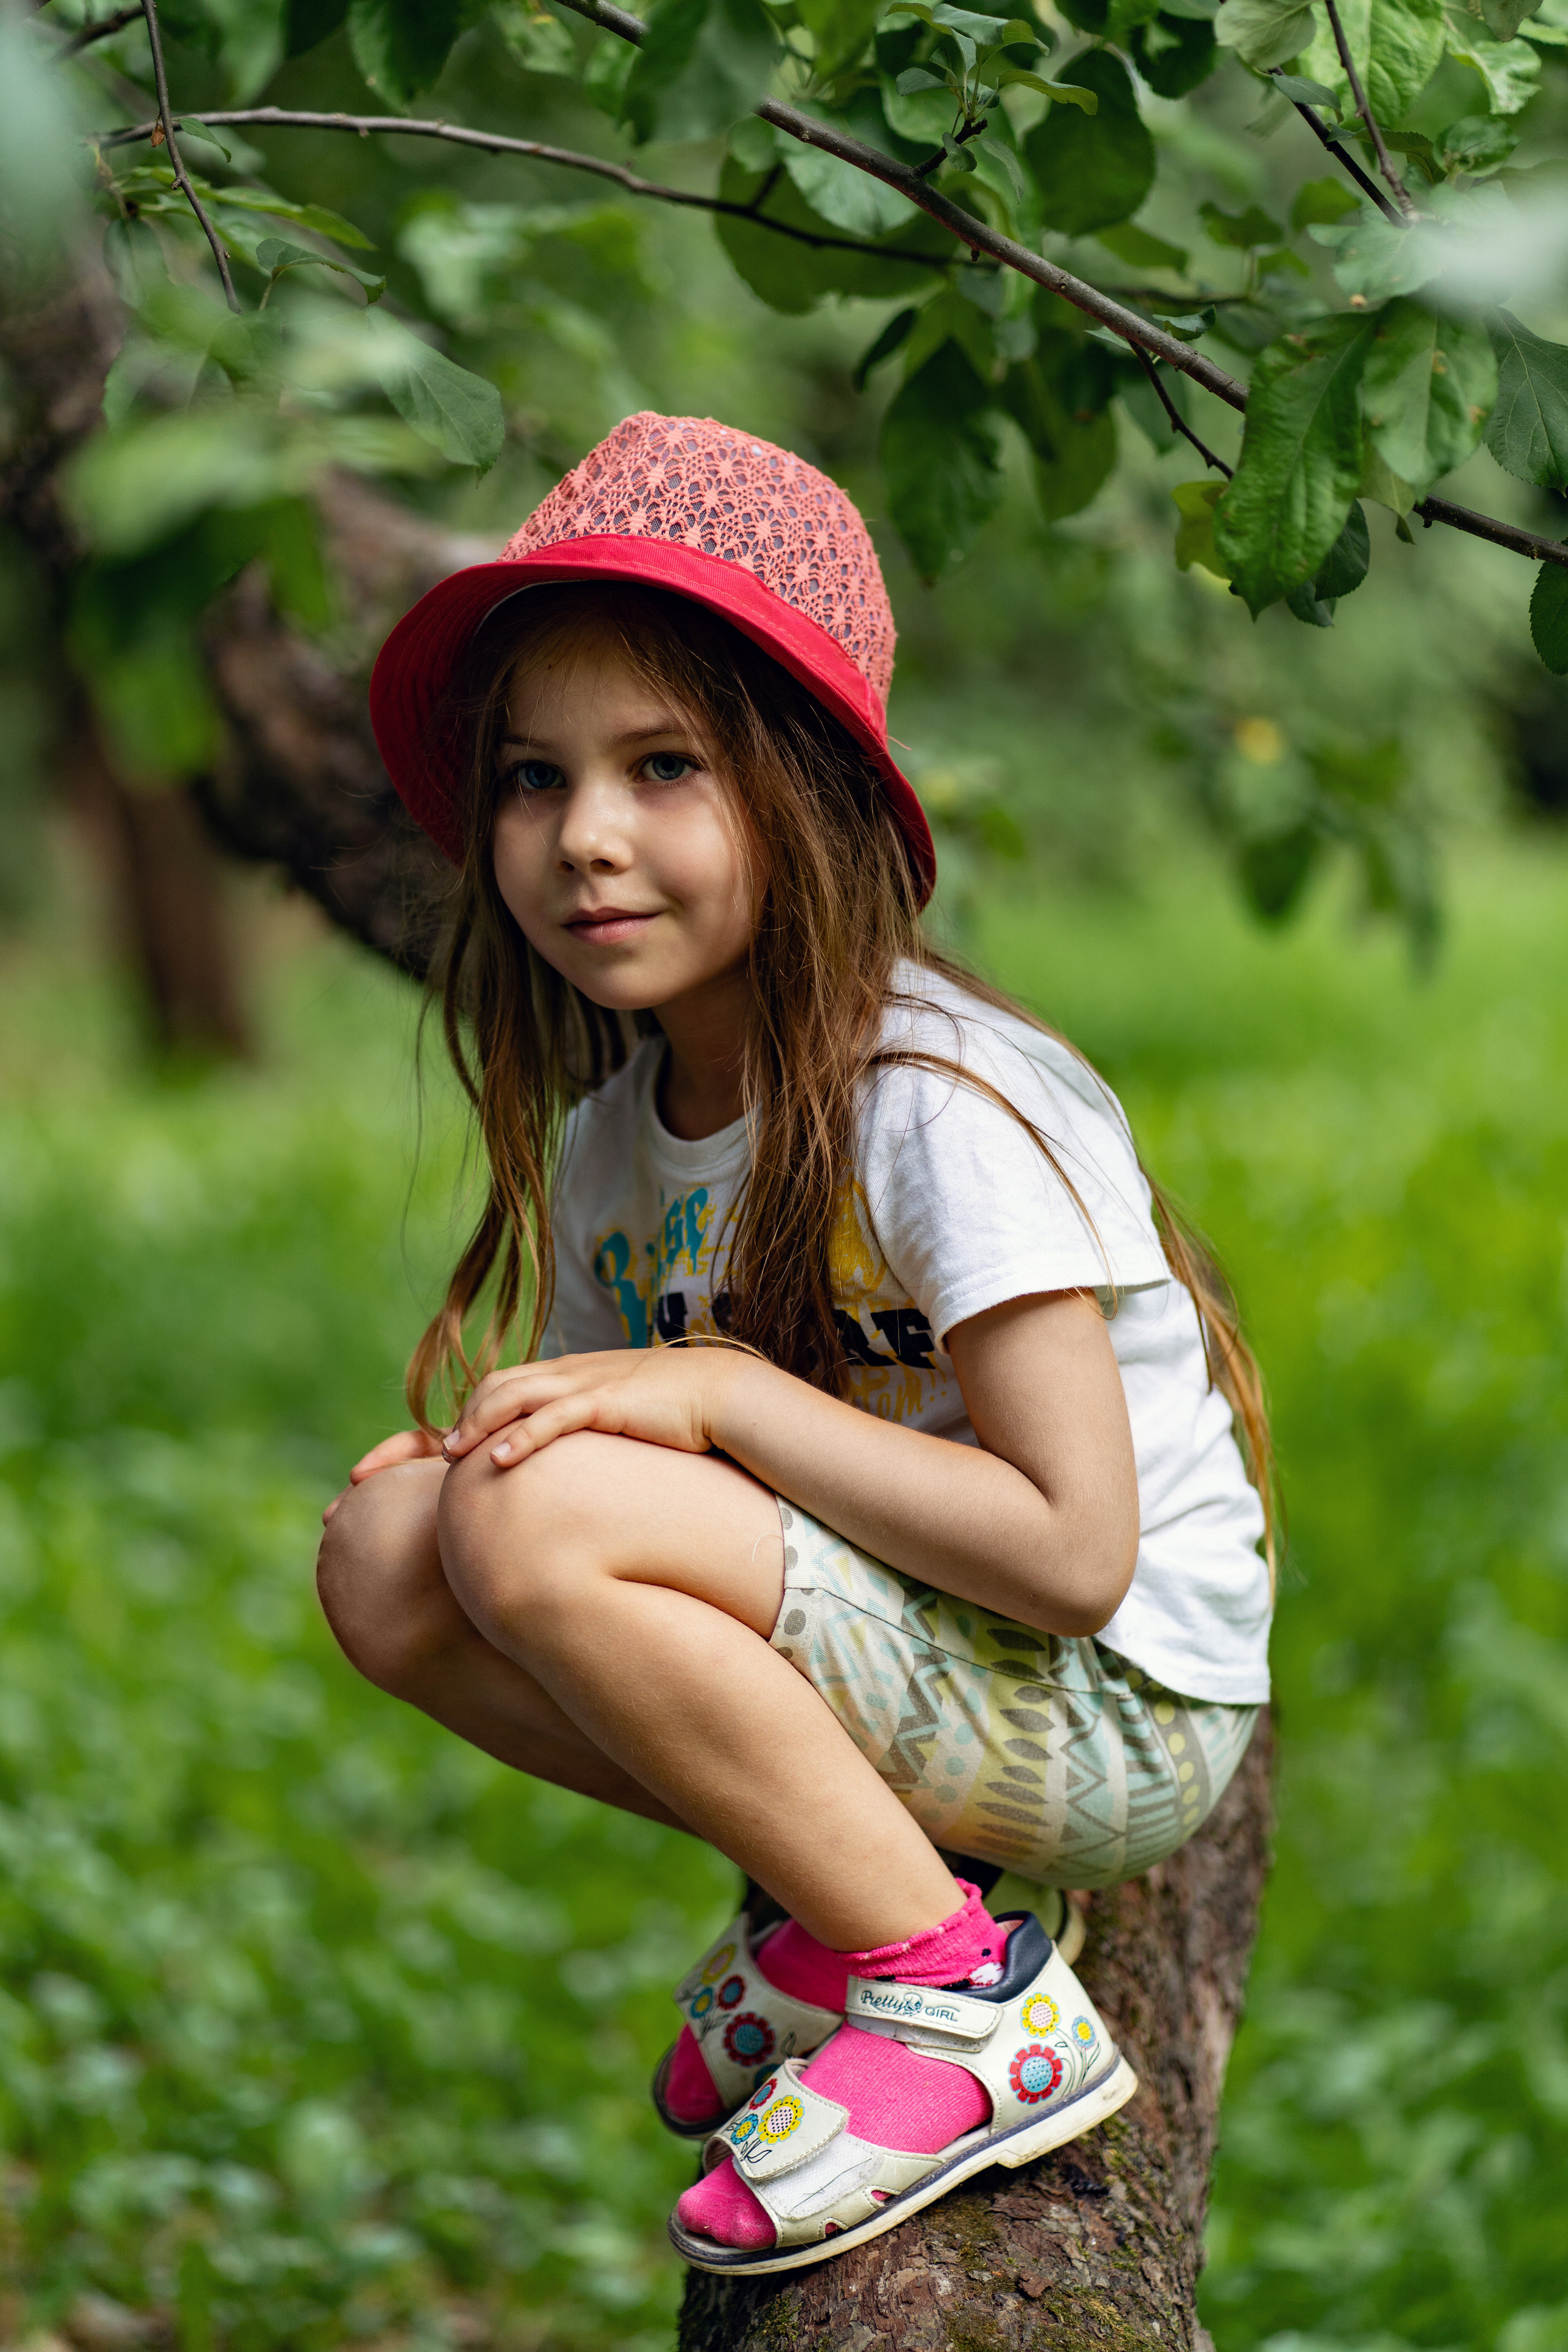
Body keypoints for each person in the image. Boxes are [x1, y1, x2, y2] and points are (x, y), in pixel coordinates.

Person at [317, 412, 1274, 2277]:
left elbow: (1077, 1558)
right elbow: (607, 1505)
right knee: (393, 1561)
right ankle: (862, 1916)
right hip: (919, 1652)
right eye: (533, 777)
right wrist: (493, 1468)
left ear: (806, 793)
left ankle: (965, 1998)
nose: (585, 836)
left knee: (528, 1527)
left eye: (663, 765)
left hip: (1118, 1704)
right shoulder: (619, 1146)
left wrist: (726, 1395)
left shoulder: (939, 1102)